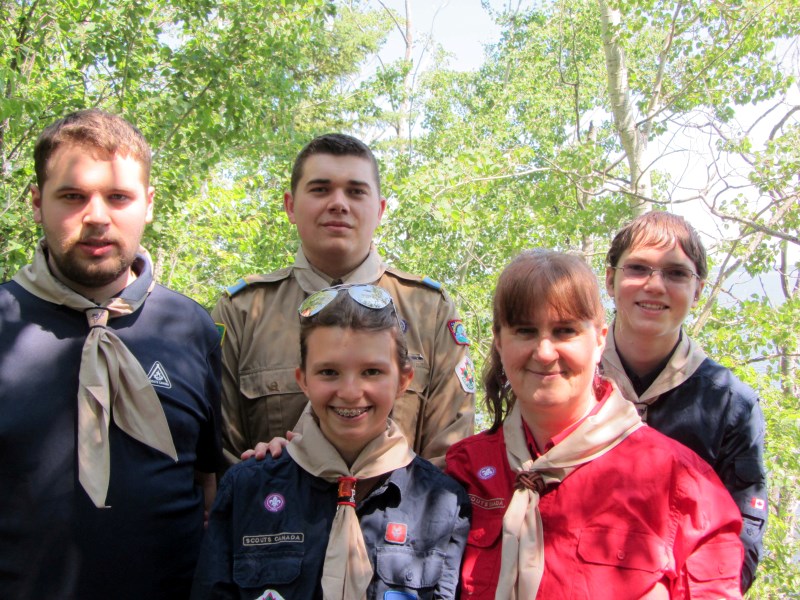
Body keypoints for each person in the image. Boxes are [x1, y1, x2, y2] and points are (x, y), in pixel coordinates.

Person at [0, 109, 222, 599]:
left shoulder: (192, 329)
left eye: (118, 197)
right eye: (73, 197)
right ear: (37, 203)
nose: (97, 217)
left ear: (148, 204)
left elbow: (208, 482)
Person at [445, 250, 744, 599]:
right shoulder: (464, 472)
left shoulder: (682, 487)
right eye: (525, 331)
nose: (544, 352)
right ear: (499, 340)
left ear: (600, 338)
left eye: (565, 331)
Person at [212, 133, 474, 467]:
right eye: (320, 189)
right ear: (290, 206)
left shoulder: (430, 311)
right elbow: (221, 455)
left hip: (402, 516)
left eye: (355, 191)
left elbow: (450, 456)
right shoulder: (242, 313)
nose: (338, 203)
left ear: (379, 210)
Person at [192, 285, 470, 599]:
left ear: (403, 380)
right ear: (303, 380)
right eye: (328, 371)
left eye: (371, 371)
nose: (350, 391)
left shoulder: (443, 503)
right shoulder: (246, 490)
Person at [602, 211, 767, 592]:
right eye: (638, 268)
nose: (655, 285)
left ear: (699, 290)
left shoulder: (730, 406)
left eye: (676, 273)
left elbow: (742, 535)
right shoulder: (566, 377)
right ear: (610, 280)